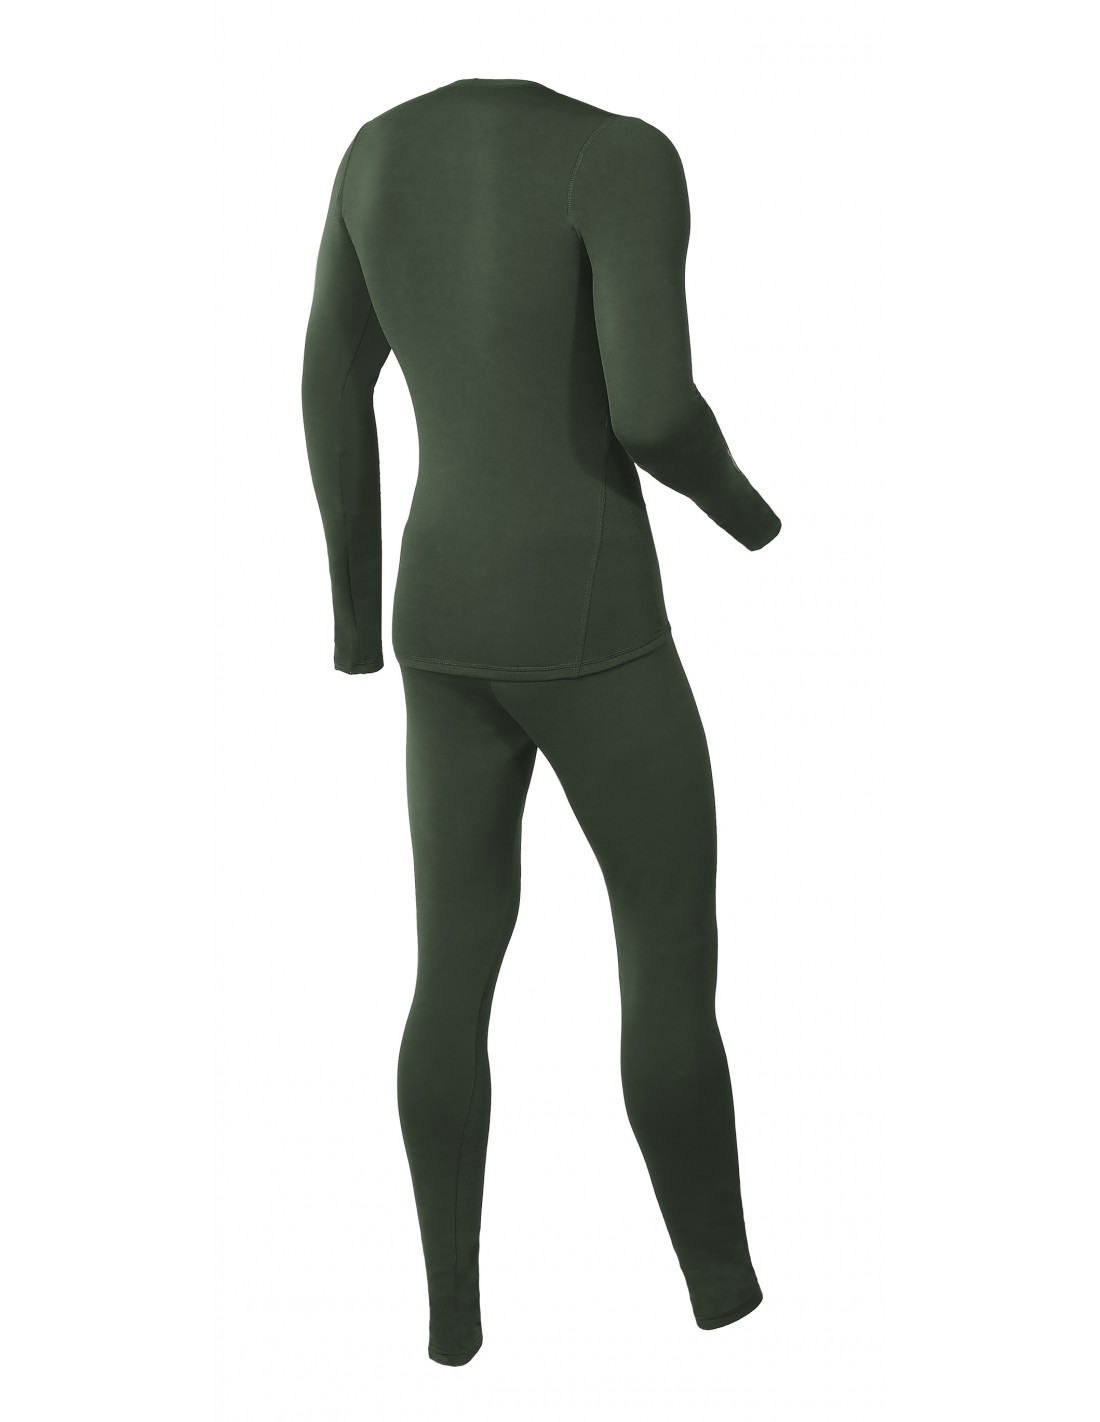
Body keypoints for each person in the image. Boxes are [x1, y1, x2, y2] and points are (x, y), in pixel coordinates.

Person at [302, 76, 782, 1367]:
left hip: (439, 615)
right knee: (666, 958)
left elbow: (328, 387)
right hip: (592, 618)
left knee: (449, 978)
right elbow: (654, 410)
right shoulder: (623, 156)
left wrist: (355, 618)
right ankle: (722, 1291)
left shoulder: (375, 153)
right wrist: (751, 517)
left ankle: (451, 1317)